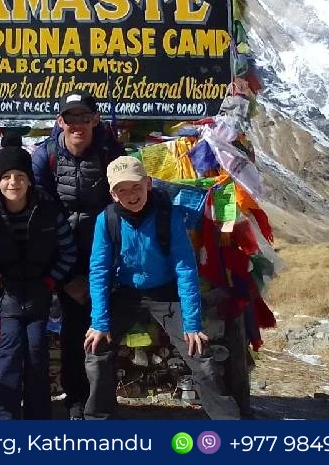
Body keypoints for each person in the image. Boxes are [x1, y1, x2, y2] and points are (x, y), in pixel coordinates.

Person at [83, 156, 240, 420]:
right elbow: (99, 271)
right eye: (122, 190)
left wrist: (191, 324)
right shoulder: (106, 220)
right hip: (126, 294)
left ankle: (229, 424)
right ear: (113, 194)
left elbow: (185, 268)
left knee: (198, 351)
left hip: (166, 295)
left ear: (148, 183)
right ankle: (97, 421)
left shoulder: (168, 215)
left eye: (135, 187)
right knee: (96, 348)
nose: (131, 195)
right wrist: (99, 322)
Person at [0, 135, 79, 419]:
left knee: (37, 354)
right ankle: (5, 421)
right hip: (8, 292)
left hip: (40, 290)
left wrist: (51, 281)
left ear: (29, 179)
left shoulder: (48, 210)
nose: (13, 182)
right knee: (9, 355)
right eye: (6, 177)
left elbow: (68, 251)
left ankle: (37, 419)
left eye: (19, 176)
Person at [31, 90, 123, 419]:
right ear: (60, 121)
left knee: (103, 326)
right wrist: (67, 276)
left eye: (84, 117)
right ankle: (74, 399)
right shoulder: (45, 156)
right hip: (60, 255)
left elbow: (122, 209)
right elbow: (39, 216)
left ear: (95, 119)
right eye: (70, 117)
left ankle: (100, 399)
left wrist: (103, 269)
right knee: (71, 329)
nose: (77, 124)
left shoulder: (110, 153)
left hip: (102, 255)